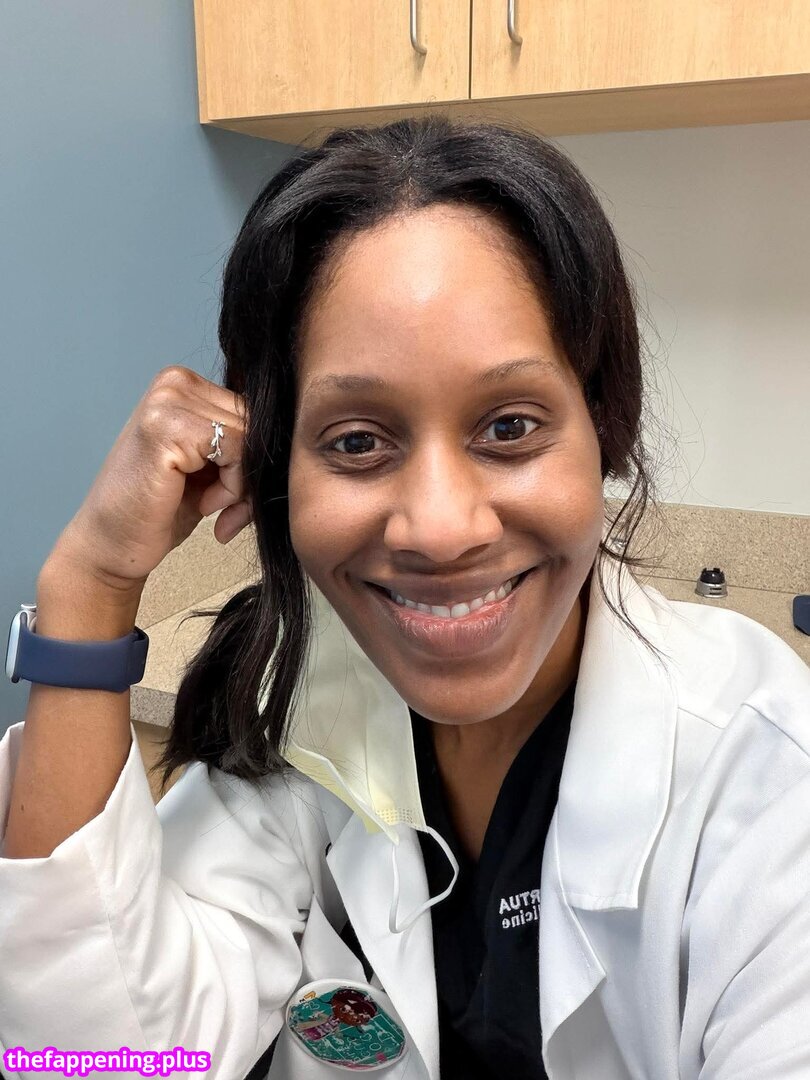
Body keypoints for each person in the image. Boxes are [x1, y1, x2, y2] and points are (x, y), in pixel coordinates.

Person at [0, 114, 808, 1080]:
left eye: (509, 426)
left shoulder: (767, 781)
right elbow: (97, 1055)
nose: (439, 527)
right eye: (356, 441)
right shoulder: (302, 722)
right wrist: (91, 582)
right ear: (276, 468)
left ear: (605, 425)